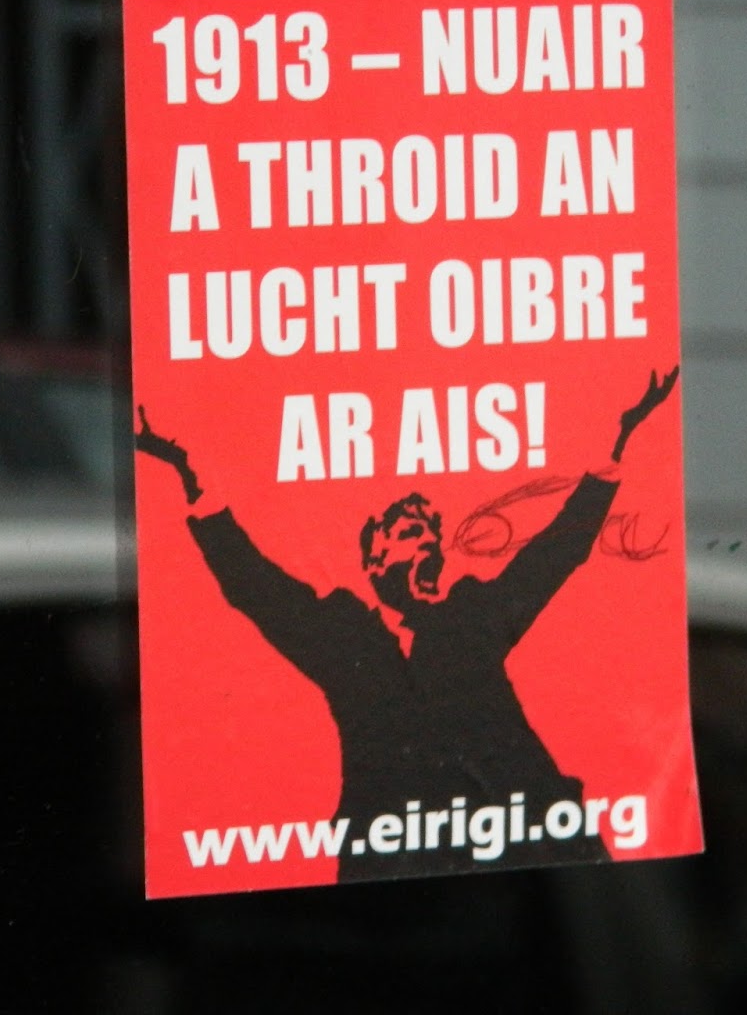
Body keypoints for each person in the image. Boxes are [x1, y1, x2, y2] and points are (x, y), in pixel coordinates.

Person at [136, 366, 677, 880]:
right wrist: (189, 475)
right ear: (375, 562)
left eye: (431, 537)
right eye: (410, 534)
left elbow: (550, 558)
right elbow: (257, 589)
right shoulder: (342, 636)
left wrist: (618, 443)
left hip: (529, 844)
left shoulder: (467, 617)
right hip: (395, 869)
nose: (429, 544)